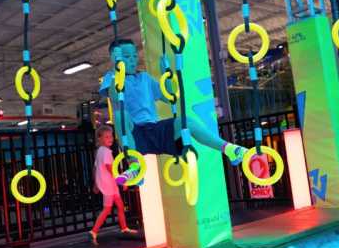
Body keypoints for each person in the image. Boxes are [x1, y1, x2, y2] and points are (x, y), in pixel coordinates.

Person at [99, 39, 247, 165]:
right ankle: (134, 166)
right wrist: (118, 68)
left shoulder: (144, 78)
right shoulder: (111, 77)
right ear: (115, 58)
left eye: (134, 56)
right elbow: (114, 95)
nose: (132, 60)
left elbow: (169, 97)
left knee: (186, 121)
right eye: (126, 56)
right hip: (133, 133)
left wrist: (166, 74)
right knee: (120, 115)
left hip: (154, 129)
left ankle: (230, 149)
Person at [89, 125, 137, 245]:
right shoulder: (105, 152)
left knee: (120, 205)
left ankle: (124, 228)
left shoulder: (100, 151)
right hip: (109, 184)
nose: (110, 139)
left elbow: (95, 168)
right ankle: (93, 231)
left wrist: (95, 183)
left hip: (109, 184)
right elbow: (110, 168)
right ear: (99, 139)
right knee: (107, 209)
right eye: (107, 137)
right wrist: (122, 181)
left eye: (111, 136)